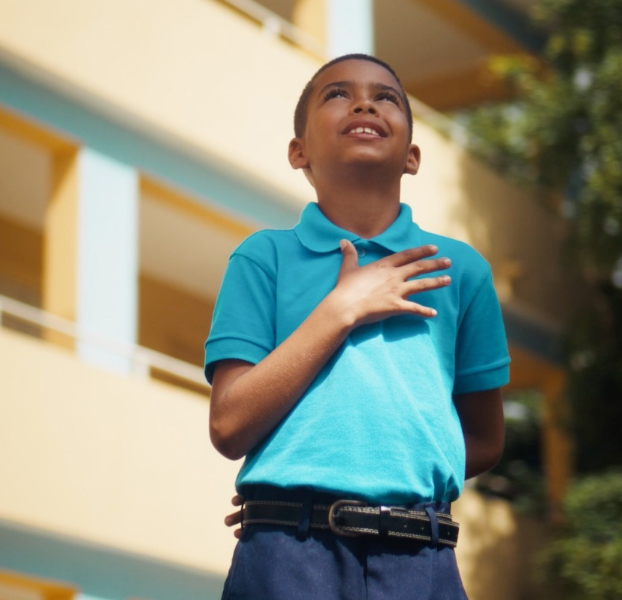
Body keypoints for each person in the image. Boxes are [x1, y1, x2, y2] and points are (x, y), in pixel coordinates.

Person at [204, 53, 510, 600]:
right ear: (299, 152)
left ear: (412, 156)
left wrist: (370, 472)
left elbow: (484, 438)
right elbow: (229, 424)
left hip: (425, 559)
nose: (365, 102)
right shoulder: (263, 258)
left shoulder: (461, 272)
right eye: (337, 94)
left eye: (385, 96)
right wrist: (341, 308)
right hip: (288, 557)